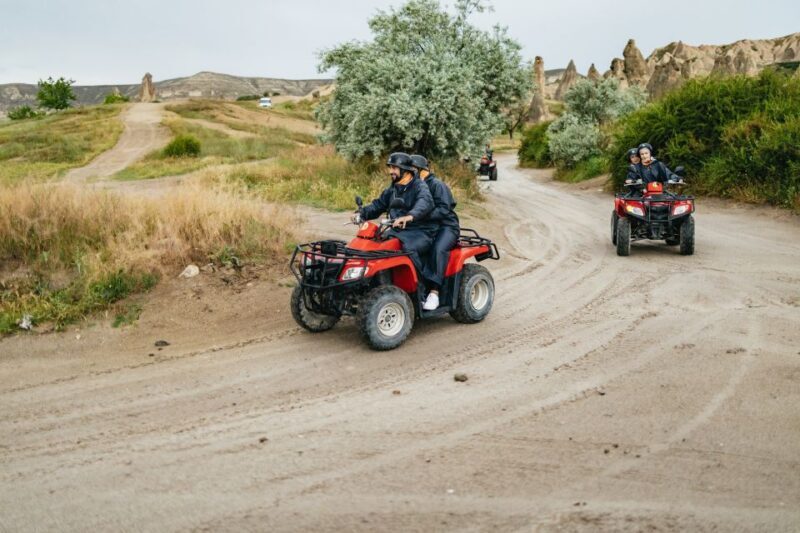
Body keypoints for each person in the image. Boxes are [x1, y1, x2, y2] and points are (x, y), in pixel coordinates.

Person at [356, 152, 436, 280]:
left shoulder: (419, 186)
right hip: (399, 231)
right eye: (390, 167)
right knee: (374, 245)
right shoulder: (393, 188)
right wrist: (361, 213)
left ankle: (418, 288)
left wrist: (410, 216)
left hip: (420, 231)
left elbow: (425, 202)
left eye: (394, 168)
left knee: (408, 248)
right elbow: (378, 205)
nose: (390, 171)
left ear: (405, 170)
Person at [410, 154, 460, 311]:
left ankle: (434, 293)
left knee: (438, 249)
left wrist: (421, 215)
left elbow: (444, 209)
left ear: (419, 169)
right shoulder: (415, 187)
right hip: (426, 227)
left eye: (411, 170)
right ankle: (418, 288)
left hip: (447, 227)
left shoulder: (437, 185)